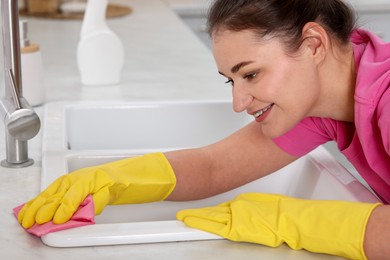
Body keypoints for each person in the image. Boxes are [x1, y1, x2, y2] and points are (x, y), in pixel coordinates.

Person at [17, 0, 390, 259]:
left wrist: (289, 220)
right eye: (232, 81)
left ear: (312, 45)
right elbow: (217, 166)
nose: (239, 102)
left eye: (251, 74)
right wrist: (113, 179)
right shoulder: (323, 99)